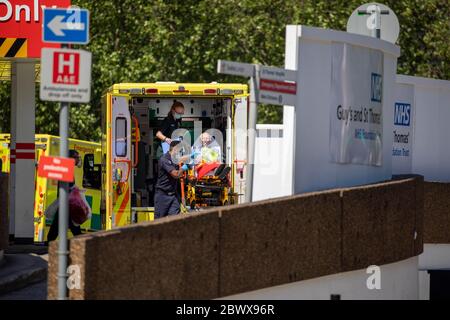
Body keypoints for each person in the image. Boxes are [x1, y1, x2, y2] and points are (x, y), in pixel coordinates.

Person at [46, 150, 83, 242]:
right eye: (77, 157)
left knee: (58, 226)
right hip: (67, 205)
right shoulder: (66, 170)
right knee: (74, 227)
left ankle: (49, 242)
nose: (78, 159)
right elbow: (68, 188)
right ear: (71, 158)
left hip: (66, 205)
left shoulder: (67, 169)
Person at [154, 140, 190, 218]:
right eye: (181, 150)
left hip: (173, 195)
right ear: (175, 149)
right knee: (159, 221)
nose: (181, 152)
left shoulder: (175, 159)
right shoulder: (164, 159)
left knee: (175, 220)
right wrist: (183, 168)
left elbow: (183, 159)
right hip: (162, 195)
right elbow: (176, 175)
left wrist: (193, 156)